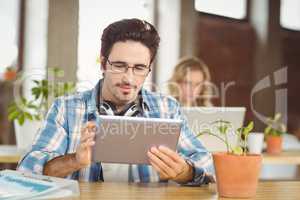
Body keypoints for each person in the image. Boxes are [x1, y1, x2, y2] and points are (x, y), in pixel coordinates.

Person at [18, 19, 214, 185]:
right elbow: (27, 171)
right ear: (103, 64)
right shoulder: (66, 108)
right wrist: (74, 161)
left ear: (149, 69)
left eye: (139, 68)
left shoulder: (167, 108)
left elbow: (206, 163)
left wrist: (184, 172)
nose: (129, 78)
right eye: (120, 66)